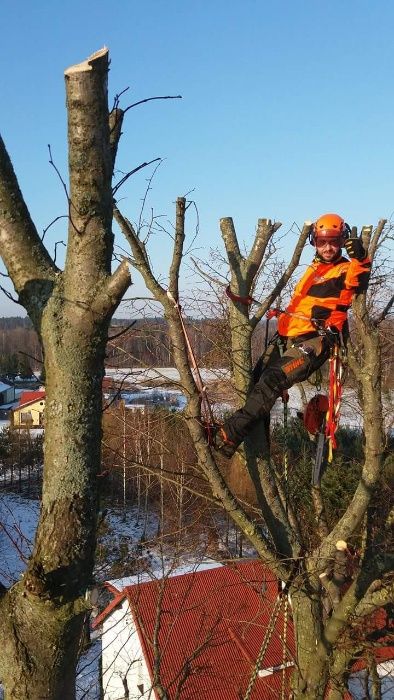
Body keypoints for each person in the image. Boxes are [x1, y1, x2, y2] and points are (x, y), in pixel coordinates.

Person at [213, 213, 371, 458]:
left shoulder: (345, 269)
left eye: (334, 242)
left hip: (316, 341)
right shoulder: (315, 268)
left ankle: (230, 433)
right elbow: (303, 304)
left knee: (272, 380)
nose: (328, 247)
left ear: (341, 242)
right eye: (322, 242)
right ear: (314, 242)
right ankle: (255, 445)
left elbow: (359, 277)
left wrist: (360, 256)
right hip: (288, 335)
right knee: (255, 381)